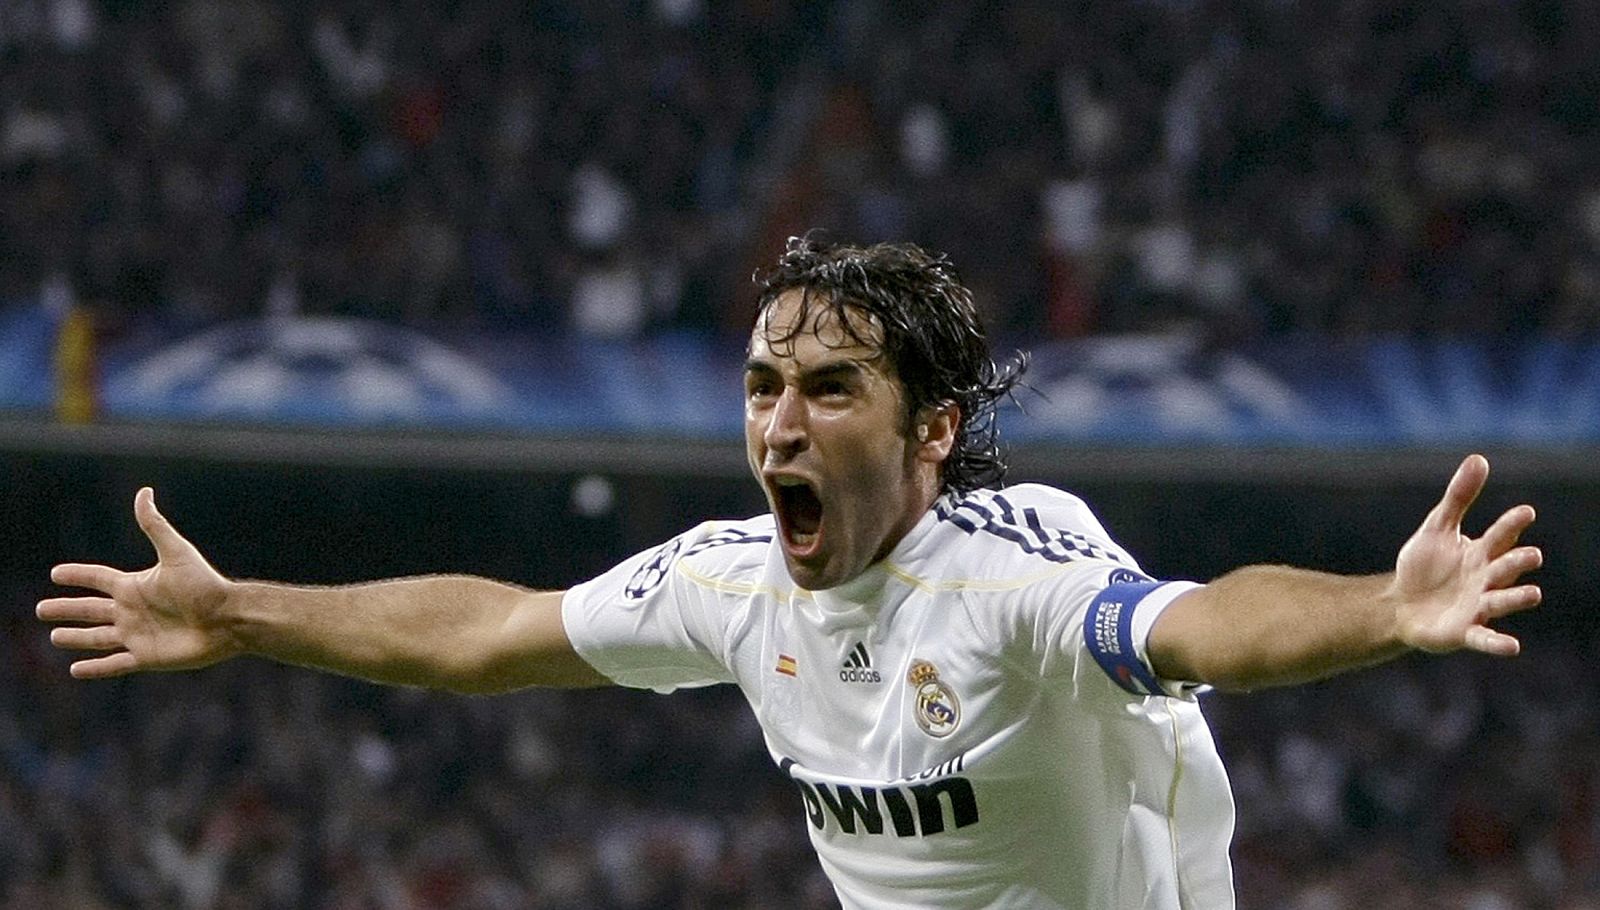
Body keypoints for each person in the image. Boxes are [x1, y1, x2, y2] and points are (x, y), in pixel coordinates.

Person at [37, 236, 1543, 909]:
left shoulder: (1010, 575)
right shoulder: (729, 580)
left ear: (932, 428)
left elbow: (1204, 623)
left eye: (829, 388)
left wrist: (1383, 609)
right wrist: (239, 612)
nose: (779, 419)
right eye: (765, 384)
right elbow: (491, 631)